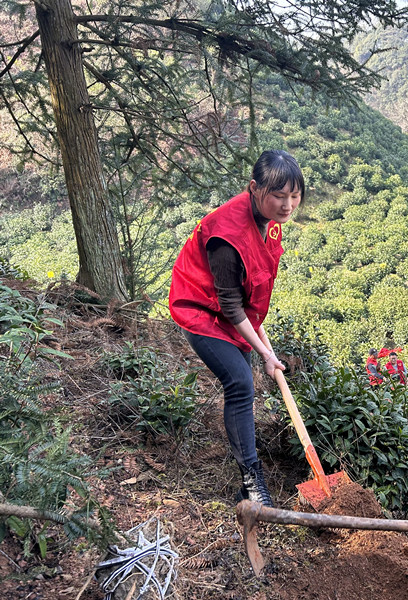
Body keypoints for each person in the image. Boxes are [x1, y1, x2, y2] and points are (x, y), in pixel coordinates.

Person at [169, 150, 305, 508]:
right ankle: (251, 479)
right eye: (279, 195)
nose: (287, 205)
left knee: (242, 385)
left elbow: (251, 291)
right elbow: (228, 305)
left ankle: (247, 479)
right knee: (241, 383)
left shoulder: (269, 222)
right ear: (254, 189)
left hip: (236, 317)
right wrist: (265, 353)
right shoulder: (225, 235)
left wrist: (260, 340)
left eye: (294, 195)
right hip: (201, 311)